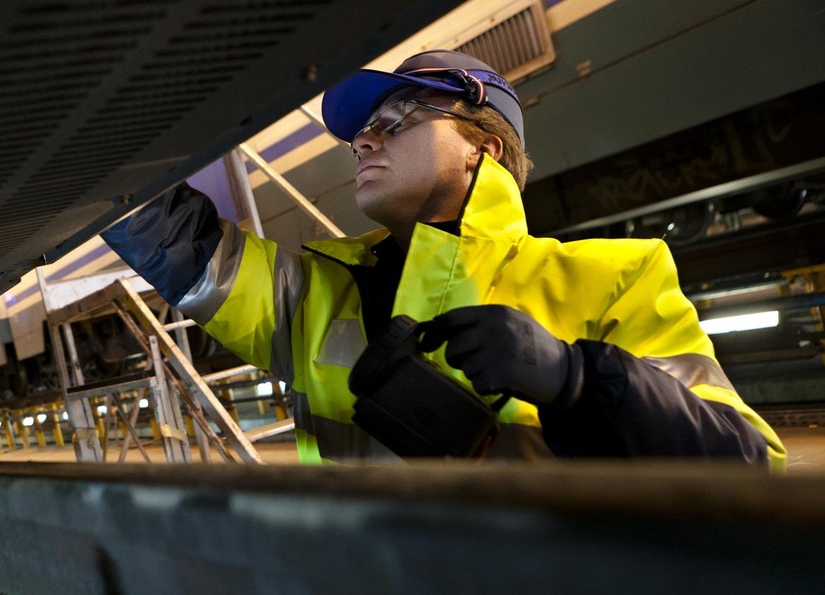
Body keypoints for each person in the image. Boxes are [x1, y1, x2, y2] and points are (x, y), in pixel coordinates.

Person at [102, 50, 784, 469]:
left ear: (481, 148)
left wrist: (580, 380)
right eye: (363, 130)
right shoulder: (315, 297)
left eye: (396, 119)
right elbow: (181, 246)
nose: (365, 140)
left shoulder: (616, 276)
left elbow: (743, 464)